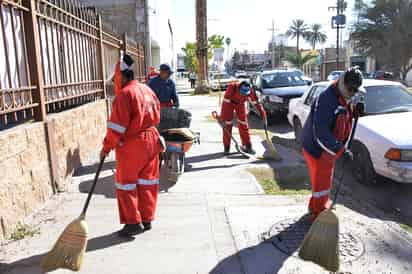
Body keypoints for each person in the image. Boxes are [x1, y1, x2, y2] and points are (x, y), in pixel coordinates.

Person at [101, 54, 164, 237]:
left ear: (121, 76)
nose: (115, 83)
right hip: (151, 139)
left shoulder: (124, 95)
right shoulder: (146, 90)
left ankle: (132, 223)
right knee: (147, 182)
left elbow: (116, 128)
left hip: (132, 143)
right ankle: (147, 218)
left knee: (126, 184)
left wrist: (106, 148)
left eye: (115, 79)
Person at [301, 67, 363, 222]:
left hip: (329, 149)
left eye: (356, 91)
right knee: (321, 184)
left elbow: (342, 115)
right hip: (318, 149)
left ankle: (318, 207)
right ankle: (317, 215)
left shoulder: (343, 94)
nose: (353, 94)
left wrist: (354, 112)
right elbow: (320, 133)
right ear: (342, 83)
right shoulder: (326, 99)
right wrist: (340, 150)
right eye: (351, 90)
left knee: (324, 182)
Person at [220, 80, 267, 155]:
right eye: (242, 93)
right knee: (227, 125)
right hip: (229, 104)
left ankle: (247, 146)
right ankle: (227, 148)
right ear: (239, 88)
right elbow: (226, 103)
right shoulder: (232, 87)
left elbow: (257, 103)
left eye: (245, 94)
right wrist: (223, 118)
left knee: (244, 124)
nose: (243, 95)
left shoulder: (250, 90)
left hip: (240, 104)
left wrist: (263, 116)